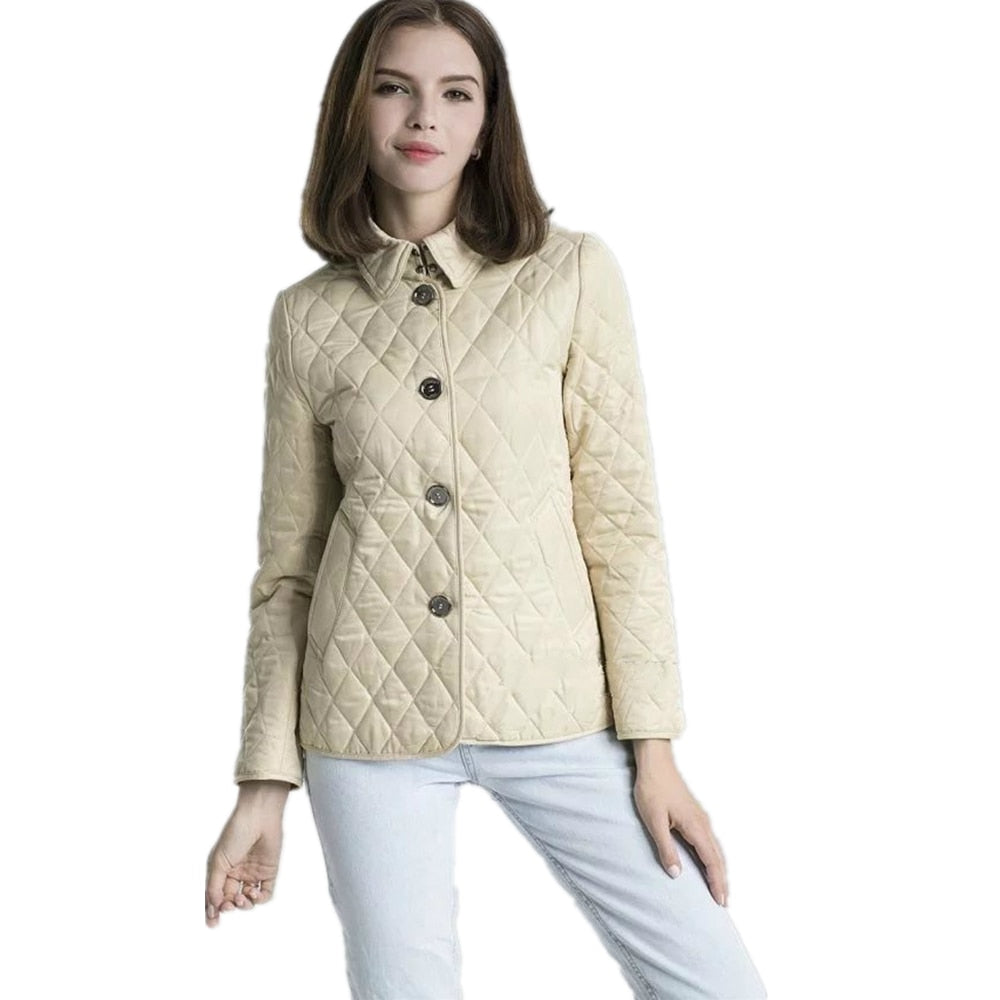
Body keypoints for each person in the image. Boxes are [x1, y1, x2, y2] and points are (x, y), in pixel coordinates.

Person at [205, 2, 767, 997]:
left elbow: (621, 523)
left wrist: (656, 749)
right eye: (394, 87)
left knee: (712, 981)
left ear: (485, 124)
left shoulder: (571, 274)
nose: (424, 114)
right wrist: (263, 782)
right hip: (365, 722)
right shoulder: (307, 318)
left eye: (455, 93)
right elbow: (289, 569)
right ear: (353, 111)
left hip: (557, 703)